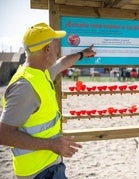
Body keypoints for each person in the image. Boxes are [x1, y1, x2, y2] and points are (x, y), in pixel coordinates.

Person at [0, 22, 96, 179]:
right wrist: (52, 145)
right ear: (47, 49)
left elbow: (62, 63)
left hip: (50, 165)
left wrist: (81, 54)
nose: (58, 48)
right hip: (38, 172)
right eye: (56, 43)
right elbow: (3, 135)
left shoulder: (40, 72)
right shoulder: (24, 87)